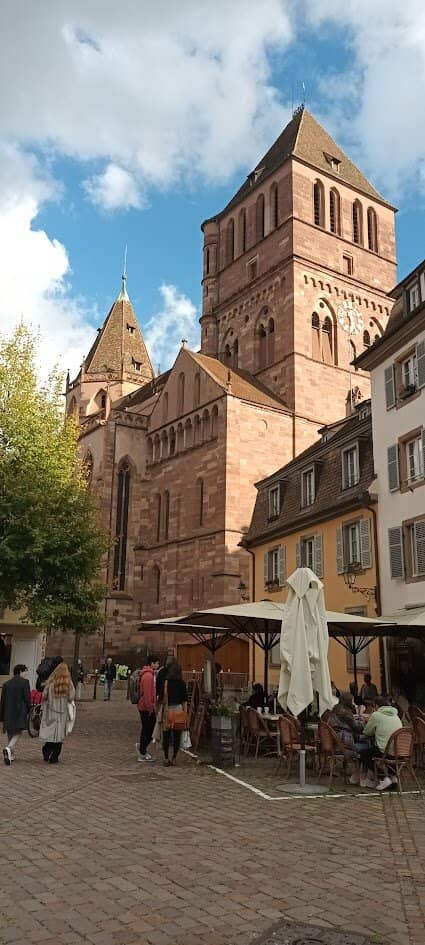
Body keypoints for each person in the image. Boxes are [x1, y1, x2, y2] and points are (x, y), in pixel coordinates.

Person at [357, 696, 403, 790]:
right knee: (389, 749)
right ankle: (393, 777)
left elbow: (367, 732)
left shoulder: (376, 715)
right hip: (400, 750)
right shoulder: (396, 715)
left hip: (385, 750)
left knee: (363, 754)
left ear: (376, 706)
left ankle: (383, 778)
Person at [39, 662, 75, 764]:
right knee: (59, 735)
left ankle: (46, 750)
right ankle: (54, 757)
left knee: (51, 733)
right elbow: (72, 697)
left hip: (50, 711)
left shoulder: (51, 683)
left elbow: (44, 696)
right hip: (62, 712)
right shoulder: (69, 684)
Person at [0, 664, 31, 765]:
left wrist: (2, 714)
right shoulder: (25, 682)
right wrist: (29, 709)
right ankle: (8, 748)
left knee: (10, 731)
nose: (26, 673)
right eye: (25, 671)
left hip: (8, 711)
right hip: (19, 711)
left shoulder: (6, 684)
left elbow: (2, 700)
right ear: (21, 671)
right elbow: (27, 698)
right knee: (18, 732)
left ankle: (11, 755)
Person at [162, 661, 188, 767]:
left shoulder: (167, 682)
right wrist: (185, 713)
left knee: (166, 735)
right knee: (177, 735)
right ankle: (174, 757)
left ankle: (166, 757)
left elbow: (163, 697)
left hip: (168, 709)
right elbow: (185, 700)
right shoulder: (182, 683)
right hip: (178, 709)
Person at [137, 656, 160, 762]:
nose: (158, 665)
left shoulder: (149, 675)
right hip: (146, 707)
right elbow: (147, 694)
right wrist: (150, 708)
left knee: (148, 729)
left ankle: (142, 748)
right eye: (157, 663)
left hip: (146, 706)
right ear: (152, 663)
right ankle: (142, 750)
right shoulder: (148, 676)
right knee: (148, 730)